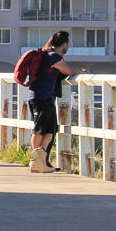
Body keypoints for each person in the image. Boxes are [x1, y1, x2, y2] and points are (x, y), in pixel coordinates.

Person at [25, 31, 84, 174]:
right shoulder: (53, 56)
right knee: (40, 130)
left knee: (51, 130)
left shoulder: (47, 55)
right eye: (67, 44)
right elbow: (69, 71)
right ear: (64, 44)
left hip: (43, 97)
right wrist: (80, 71)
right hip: (41, 97)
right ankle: (35, 161)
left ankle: (40, 160)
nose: (68, 47)